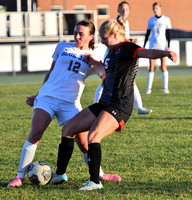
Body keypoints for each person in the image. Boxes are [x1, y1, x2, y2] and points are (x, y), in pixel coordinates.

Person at [50, 18, 177, 190]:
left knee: (94, 136)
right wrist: (95, 63)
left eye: (104, 38)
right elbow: (107, 72)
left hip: (119, 106)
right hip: (105, 102)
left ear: (115, 35)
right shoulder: (111, 51)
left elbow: (147, 53)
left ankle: (95, 182)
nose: (102, 41)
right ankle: (60, 175)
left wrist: (166, 53)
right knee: (68, 129)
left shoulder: (128, 48)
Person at [7, 20, 121, 188]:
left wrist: (96, 64)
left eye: (81, 34)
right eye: (75, 32)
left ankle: (99, 175)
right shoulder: (62, 47)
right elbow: (51, 72)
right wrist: (38, 94)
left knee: (84, 142)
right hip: (47, 98)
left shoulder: (94, 55)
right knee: (35, 133)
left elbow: (105, 76)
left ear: (90, 36)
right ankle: (19, 177)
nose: (77, 36)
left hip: (70, 103)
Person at [94, 1, 152, 115]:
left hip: (122, 55)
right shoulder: (114, 24)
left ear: (129, 11)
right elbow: (116, 41)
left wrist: (131, 41)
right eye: (122, 9)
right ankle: (96, 105)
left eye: (126, 9)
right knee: (105, 81)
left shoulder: (126, 23)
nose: (124, 11)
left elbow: (123, 40)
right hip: (113, 55)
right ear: (118, 10)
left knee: (130, 80)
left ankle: (139, 107)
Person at [143, 2, 172, 94]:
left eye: (157, 8)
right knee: (151, 67)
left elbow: (168, 33)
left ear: (160, 8)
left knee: (163, 66)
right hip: (152, 46)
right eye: (154, 8)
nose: (155, 10)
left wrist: (168, 46)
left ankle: (165, 88)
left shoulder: (166, 19)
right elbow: (147, 33)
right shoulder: (150, 20)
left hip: (162, 46)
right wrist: (144, 45)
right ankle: (148, 88)